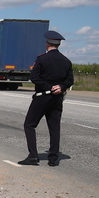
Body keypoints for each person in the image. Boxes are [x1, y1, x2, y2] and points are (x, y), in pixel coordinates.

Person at [18, 30, 74, 167]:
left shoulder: (42, 59)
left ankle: (33, 156)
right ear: (58, 44)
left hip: (43, 97)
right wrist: (60, 86)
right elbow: (70, 80)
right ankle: (53, 158)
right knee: (54, 128)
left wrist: (48, 87)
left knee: (29, 124)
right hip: (57, 98)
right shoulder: (66, 61)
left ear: (47, 43)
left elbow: (34, 78)